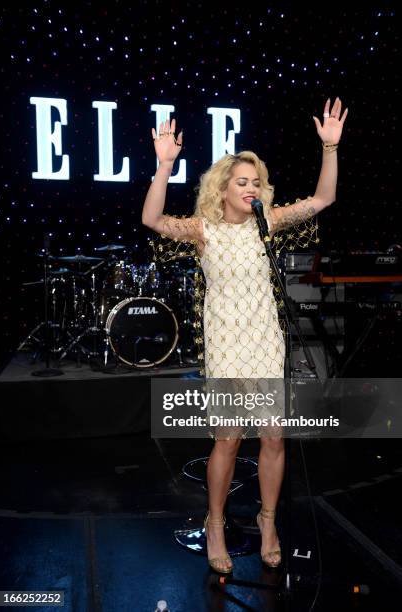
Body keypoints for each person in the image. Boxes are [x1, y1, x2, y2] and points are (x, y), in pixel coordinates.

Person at [142, 98, 348, 573]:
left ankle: (268, 519)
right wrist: (163, 166)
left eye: (257, 182)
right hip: (227, 349)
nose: (252, 188)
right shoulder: (203, 230)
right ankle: (215, 523)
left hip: (265, 342)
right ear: (223, 188)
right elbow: (152, 220)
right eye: (242, 182)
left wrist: (330, 148)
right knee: (229, 439)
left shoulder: (268, 225)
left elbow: (322, 200)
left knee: (274, 438)